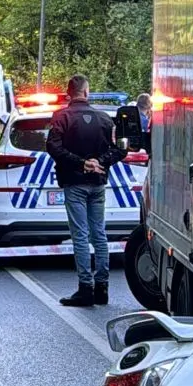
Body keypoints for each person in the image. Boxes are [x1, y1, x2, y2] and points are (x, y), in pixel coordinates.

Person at [47, 73, 127, 307]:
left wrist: (80, 163)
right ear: (86, 92)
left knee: (80, 235)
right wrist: (100, 162)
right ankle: (102, 287)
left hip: (74, 182)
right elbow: (121, 149)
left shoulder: (61, 117)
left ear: (69, 92)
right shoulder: (104, 119)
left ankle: (85, 288)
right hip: (98, 182)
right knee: (99, 234)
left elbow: (53, 146)